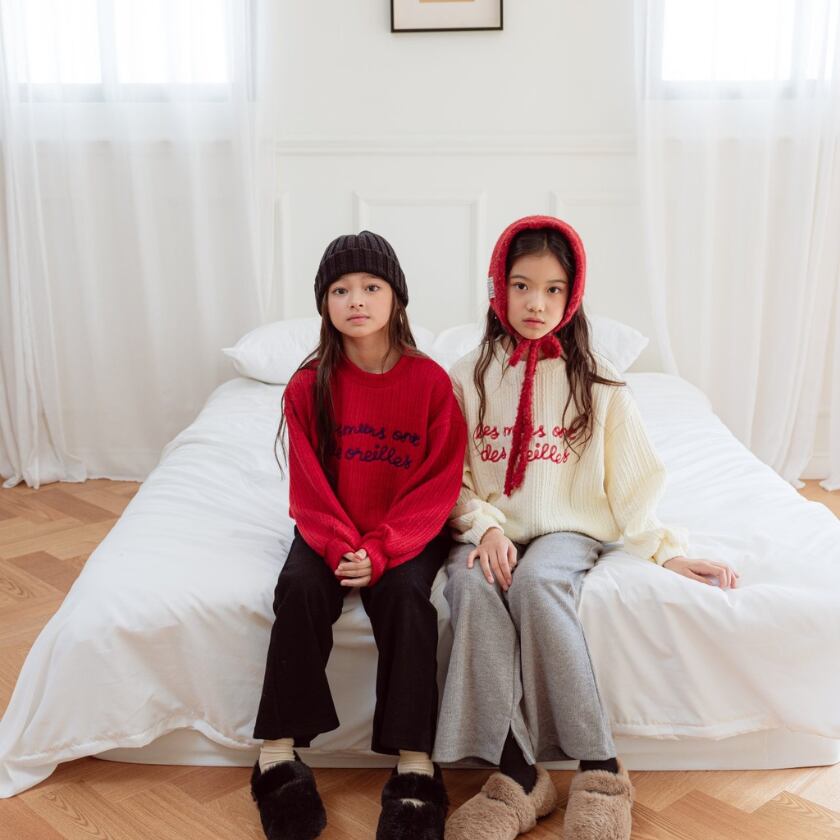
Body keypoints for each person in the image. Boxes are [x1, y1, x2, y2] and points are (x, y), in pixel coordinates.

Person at [433, 215, 739, 840]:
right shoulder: (466, 375)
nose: (535, 304)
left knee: (537, 584)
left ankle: (600, 768)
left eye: (552, 290)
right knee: (468, 586)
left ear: (571, 295)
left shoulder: (598, 379)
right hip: (490, 528)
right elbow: (450, 476)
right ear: (497, 287)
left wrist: (664, 551)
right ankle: (519, 774)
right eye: (521, 286)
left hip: (567, 528)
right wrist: (483, 528)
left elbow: (633, 477)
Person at [251, 231, 467, 840]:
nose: (356, 301)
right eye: (340, 290)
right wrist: (340, 545)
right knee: (299, 589)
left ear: (396, 298)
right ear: (324, 303)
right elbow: (308, 487)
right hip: (330, 527)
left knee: (406, 598)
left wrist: (381, 549)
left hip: (405, 530)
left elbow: (438, 482)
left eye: (371, 286)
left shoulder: (430, 382)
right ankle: (276, 754)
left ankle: (415, 765)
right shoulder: (307, 385)